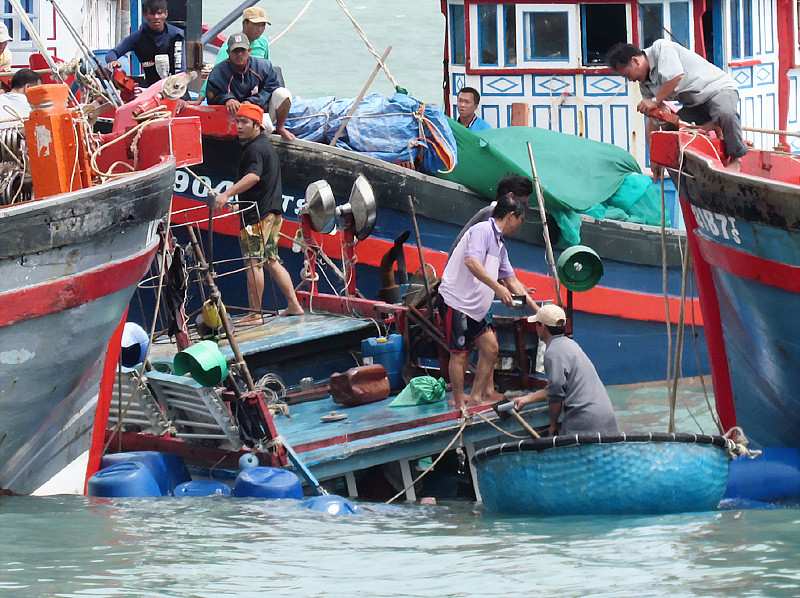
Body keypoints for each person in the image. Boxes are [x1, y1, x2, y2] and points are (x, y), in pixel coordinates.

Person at [438, 193, 537, 411]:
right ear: (511, 216)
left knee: (491, 348)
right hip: (457, 301)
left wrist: (537, 309)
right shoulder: (482, 231)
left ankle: (474, 399)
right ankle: (458, 401)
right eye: (520, 220)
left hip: (475, 307)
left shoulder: (500, 245)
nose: (520, 226)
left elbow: (511, 280)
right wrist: (498, 287)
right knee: (459, 354)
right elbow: (471, 261)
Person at [213, 103, 303, 323]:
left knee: (253, 263)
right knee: (272, 259)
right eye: (238, 121)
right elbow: (261, 183)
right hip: (272, 213)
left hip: (258, 217)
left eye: (245, 122)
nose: (239, 126)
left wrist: (226, 195)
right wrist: (239, 203)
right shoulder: (265, 146)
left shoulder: (254, 149)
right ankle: (294, 304)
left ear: (257, 125)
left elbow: (253, 177)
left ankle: (255, 314)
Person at [607, 41, 747, 172]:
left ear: (635, 61)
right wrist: (654, 158)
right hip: (694, 104)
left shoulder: (661, 48)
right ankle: (712, 128)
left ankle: (736, 157)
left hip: (717, 89)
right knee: (671, 130)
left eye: (627, 75)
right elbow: (653, 119)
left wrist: (655, 101)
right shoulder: (644, 83)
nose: (630, 80)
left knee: (725, 113)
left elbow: (675, 77)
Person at [513, 304, 619, 436]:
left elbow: (556, 393)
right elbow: (556, 388)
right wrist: (526, 399)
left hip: (584, 420)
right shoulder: (571, 345)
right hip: (606, 417)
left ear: (543, 326)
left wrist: (553, 424)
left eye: (537, 324)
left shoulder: (552, 352)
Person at [204, 32, 295, 141]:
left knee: (283, 93)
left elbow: (272, 87)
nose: (239, 54)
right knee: (262, 129)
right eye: (235, 51)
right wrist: (227, 99)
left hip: (259, 111)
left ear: (249, 51)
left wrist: (252, 102)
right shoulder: (219, 71)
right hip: (234, 117)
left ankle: (280, 128)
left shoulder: (264, 66)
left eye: (243, 50)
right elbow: (211, 95)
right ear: (229, 52)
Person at [196, 6, 271, 103]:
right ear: (244, 23)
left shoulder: (263, 42)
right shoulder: (231, 46)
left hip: (255, 92)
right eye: (256, 25)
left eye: (262, 25)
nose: (260, 29)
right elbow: (214, 74)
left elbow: (267, 69)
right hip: (235, 90)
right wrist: (200, 98)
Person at [105, 0, 185, 88]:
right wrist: (112, 61)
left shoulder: (177, 35)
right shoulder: (137, 38)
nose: (156, 17)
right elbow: (112, 53)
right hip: (150, 89)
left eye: (159, 13)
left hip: (176, 88)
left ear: (166, 14)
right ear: (144, 16)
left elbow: (180, 69)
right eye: (152, 14)